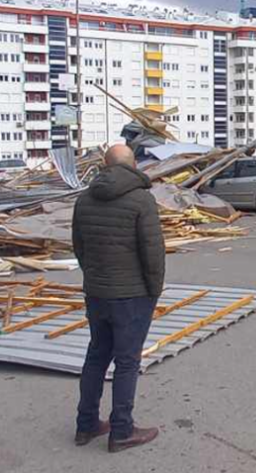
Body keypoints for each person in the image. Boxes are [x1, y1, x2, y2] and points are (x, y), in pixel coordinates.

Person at [71, 144, 165, 453]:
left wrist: (93, 277)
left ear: (104, 165)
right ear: (133, 165)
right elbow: (153, 254)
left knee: (97, 355)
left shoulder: (84, 199)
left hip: (96, 293)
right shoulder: (142, 200)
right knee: (127, 362)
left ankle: (86, 425)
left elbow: (79, 247)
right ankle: (122, 430)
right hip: (131, 295)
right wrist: (154, 290)